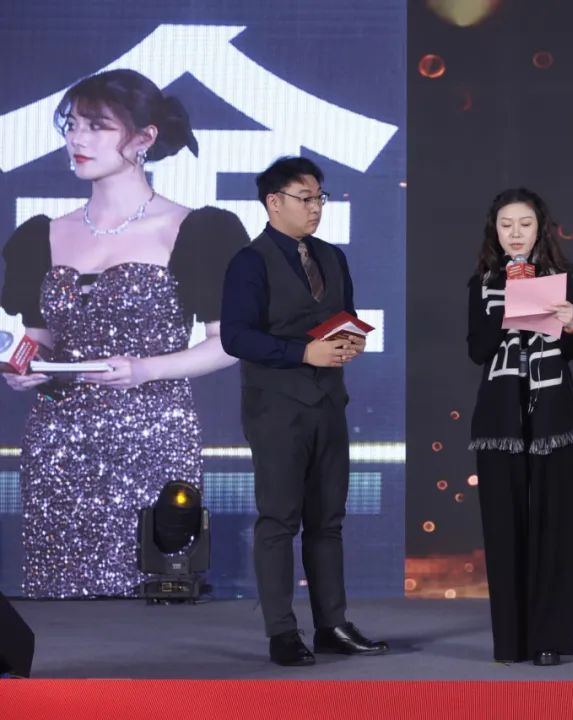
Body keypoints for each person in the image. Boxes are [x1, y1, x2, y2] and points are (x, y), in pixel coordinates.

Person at [0, 69, 248, 598]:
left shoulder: (197, 230)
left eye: (97, 126)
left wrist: (144, 370)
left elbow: (229, 341)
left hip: (152, 437)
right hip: (58, 443)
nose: (78, 138)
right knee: (60, 603)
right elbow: (39, 337)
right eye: (72, 125)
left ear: (143, 139)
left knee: (150, 596)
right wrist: (24, 368)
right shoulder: (42, 234)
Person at [220, 156, 388, 667]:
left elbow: (344, 317)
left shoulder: (332, 257)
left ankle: (332, 625)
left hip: (329, 403)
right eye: (305, 198)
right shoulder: (249, 262)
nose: (316, 207)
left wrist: (351, 340)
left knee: (327, 520)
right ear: (274, 203)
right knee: (279, 520)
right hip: (276, 409)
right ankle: (282, 632)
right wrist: (302, 353)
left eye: (320, 198)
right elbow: (236, 337)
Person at [467, 187, 573, 666]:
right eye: (506, 225)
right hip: (500, 416)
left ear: (541, 229)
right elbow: (476, 350)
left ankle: (549, 640)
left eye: (525, 224)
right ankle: (511, 642)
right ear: (494, 231)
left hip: (553, 412)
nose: (515, 233)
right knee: (503, 528)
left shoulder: (564, 277)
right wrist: (510, 305)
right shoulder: (481, 283)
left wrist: (570, 324)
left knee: (555, 527)